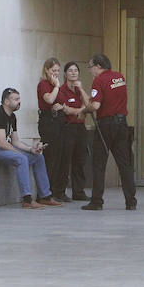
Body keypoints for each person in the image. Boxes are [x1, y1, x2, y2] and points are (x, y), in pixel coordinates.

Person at [0, 87, 62, 209]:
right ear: (6, 101)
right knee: (22, 159)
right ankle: (27, 199)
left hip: (2, 148)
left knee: (38, 157)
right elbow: (2, 143)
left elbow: (15, 141)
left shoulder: (12, 117)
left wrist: (31, 150)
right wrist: (20, 154)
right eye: (16, 99)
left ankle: (45, 196)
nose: (19, 102)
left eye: (19, 99)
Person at [81, 54, 137, 211]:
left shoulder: (99, 80)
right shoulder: (119, 77)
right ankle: (131, 201)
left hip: (106, 125)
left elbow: (96, 105)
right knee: (124, 164)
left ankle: (96, 201)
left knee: (98, 164)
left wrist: (85, 110)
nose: (90, 70)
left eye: (91, 67)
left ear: (98, 66)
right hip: (122, 124)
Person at [56, 61, 90, 201]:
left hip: (81, 128)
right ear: (65, 73)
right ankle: (60, 191)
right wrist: (81, 110)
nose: (74, 73)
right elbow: (66, 109)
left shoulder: (79, 90)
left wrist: (81, 90)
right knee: (65, 160)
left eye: (76, 70)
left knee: (80, 160)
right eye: (70, 70)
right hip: (68, 128)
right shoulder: (62, 90)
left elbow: (89, 105)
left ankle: (79, 191)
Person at [36, 58, 66, 200]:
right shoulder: (44, 84)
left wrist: (62, 106)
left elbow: (62, 101)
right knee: (50, 157)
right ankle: (44, 193)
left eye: (58, 71)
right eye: (53, 70)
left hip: (59, 121)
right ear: (47, 70)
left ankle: (53, 191)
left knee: (58, 157)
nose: (56, 73)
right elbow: (48, 99)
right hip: (48, 122)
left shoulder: (56, 86)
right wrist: (56, 87)